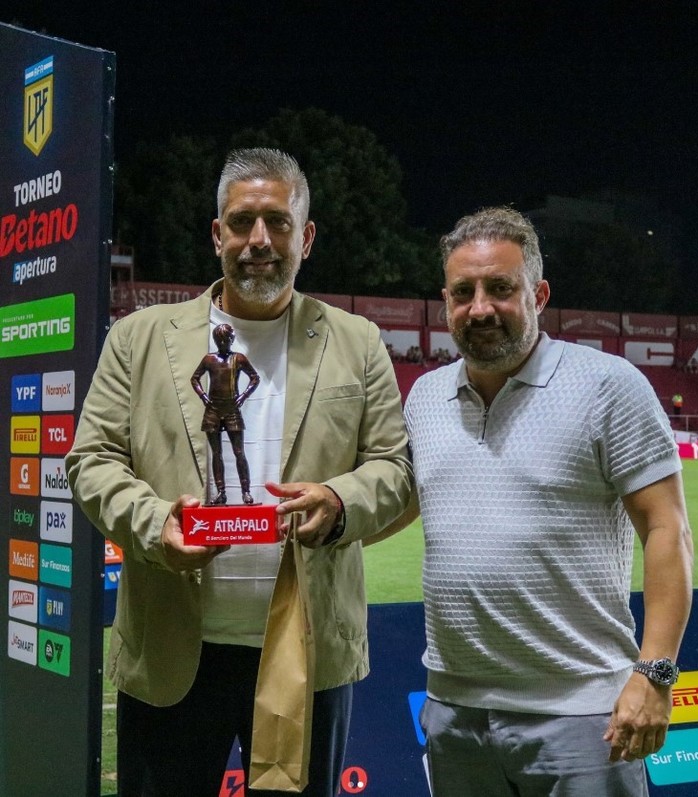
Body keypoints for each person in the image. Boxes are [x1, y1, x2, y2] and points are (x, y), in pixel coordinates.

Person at [65, 147, 412, 797]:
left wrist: (339, 500)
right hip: (171, 651)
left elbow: (394, 467)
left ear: (305, 237)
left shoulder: (358, 341)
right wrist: (159, 521)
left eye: (278, 222)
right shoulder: (138, 338)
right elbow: (91, 460)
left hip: (304, 653)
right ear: (217, 232)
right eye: (243, 220)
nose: (260, 239)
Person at [394, 207, 693, 796]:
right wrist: (326, 509)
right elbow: (400, 502)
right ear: (445, 301)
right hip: (454, 712)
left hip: (582, 717)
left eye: (500, 288)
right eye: (463, 292)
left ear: (540, 294)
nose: (480, 308)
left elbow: (667, 530)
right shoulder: (426, 396)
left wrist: (655, 676)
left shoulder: (609, 384)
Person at [191, 323, 260, 505]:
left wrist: (244, 396)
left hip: (231, 408)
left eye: (226, 339)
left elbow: (255, 377)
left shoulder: (238, 358)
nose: (223, 343)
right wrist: (203, 397)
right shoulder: (209, 359)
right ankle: (221, 492)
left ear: (232, 340)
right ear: (215, 340)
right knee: (216, 453)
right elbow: (194, 378)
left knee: (239, 452)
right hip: (213, 408)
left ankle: (246, 492)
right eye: (220, 340)